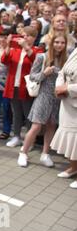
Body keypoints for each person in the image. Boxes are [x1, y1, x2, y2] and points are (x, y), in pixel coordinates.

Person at [19, 35, 68, 167]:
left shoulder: (66, 60)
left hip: (58, 99)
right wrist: (45, 73)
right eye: (57, 42)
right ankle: (23, 152)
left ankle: (45, 154)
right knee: (36, 126)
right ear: (51, 43)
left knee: (52, 125)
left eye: (62, 42)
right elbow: (33, 76)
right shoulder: (42, 57)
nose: (59, 45)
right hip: (43, 96)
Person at [51, 46, 77, 189]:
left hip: (73, 99)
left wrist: (67, 89)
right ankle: (73, 167)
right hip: (67, 103)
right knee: (71, 139)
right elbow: (62, 72)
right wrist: (59, 87)